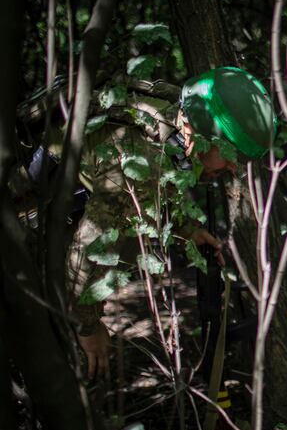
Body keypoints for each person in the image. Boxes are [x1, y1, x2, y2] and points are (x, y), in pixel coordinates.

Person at [69, 66, 274, 381]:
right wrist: (86, 325)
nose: (234, 167)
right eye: (230, 153)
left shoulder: (169, 122)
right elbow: (88, 251)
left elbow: (158, 192)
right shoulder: (140, 159)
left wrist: (188, 230)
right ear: (198, 133)